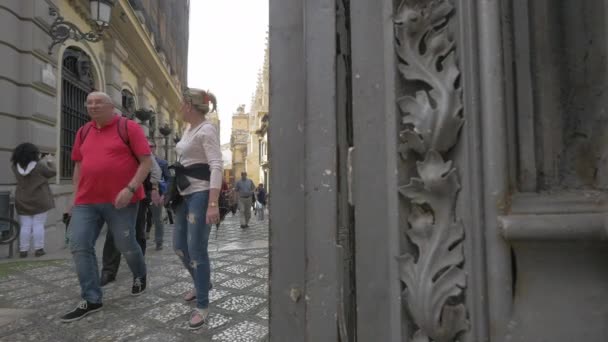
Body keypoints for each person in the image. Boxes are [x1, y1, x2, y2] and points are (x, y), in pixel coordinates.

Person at [61, 91, 151, 323]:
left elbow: (146, 162)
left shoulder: (128, 128)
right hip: (87, 201)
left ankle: (140, 274)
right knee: (79, 244)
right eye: (89, 102)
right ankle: (91, 298)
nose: (93, 106)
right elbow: (79, 166)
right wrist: (74, 198)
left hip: (123, 199)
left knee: (125, 243)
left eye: (98, 102)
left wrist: (130, 189)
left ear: (112, 107)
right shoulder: (84, 131)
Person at [173, 88, 222, 330]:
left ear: (189, 106)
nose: (179, 107)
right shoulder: (188, 129)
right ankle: (202, 282)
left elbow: (216, 165)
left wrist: (213, 203)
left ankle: (202, 305)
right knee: (179, 247)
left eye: (182, 104)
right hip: (183, 193)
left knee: (196, 250)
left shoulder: (207, 129)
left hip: (201, 194)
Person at [99, 152, 162, 286]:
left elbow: (155, 170)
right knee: (113, 233)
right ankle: (109, 271)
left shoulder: (138, 145)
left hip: (137, 196)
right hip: (115, 194)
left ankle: (139, 266)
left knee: (138, 231)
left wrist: (153, 187)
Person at [11, 143, 56, 258]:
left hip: (22, 199)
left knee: (25, 225)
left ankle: (23, 250)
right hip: (40, 199)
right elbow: (52, 173)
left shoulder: (15, 166)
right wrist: (50, 161)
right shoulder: (39, 166)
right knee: (38, 224)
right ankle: (39, 249)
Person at [149, 143, 171, 250]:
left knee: (157, 218)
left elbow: (168, 179)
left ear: (155, 148)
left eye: (151, 146)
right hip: (142, 192)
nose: (149, 148)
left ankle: (159, 241)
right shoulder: (138, 160)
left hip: (157, 192)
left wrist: (164, 194)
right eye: (147, 146)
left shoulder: (162, 163)